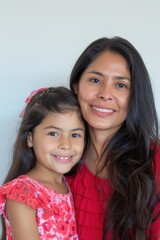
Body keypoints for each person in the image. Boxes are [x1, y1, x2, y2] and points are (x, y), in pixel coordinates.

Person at [66, 37, 160, 240]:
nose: (105, 94)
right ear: (76, 85)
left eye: (120, 85)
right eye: (95, 80)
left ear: (135, 95)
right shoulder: (58, 159)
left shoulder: (155, 161)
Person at [0, 86, 86, 240]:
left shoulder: (69, 183)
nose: (65, 144)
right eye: (53, 133)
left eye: (75, 134)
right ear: (30, 138)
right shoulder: (23, 193)